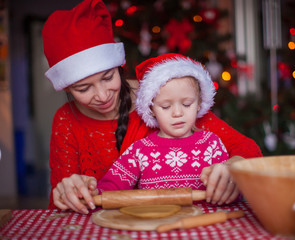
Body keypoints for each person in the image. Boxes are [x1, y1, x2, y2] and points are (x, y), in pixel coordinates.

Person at [42, 0, 262, 214]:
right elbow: (60, 208)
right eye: (83, 89)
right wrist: (68, 192)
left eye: (108, 77)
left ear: (119, 66)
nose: (102, 95)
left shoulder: (163, 96)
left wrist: (233, 167)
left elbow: (247, 149)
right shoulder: (66, 120)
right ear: (67, 89)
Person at [97, 53, 238, 205]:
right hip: (155, 225)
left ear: (199, 104)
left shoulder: (211, 145)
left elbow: (233, 189)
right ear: (151, 108)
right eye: (165, 106)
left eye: (187, 104)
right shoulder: (140, 150)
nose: (177, 113)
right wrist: (90, 192)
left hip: (201, 225)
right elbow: (109, 190)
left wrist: (230, 186)